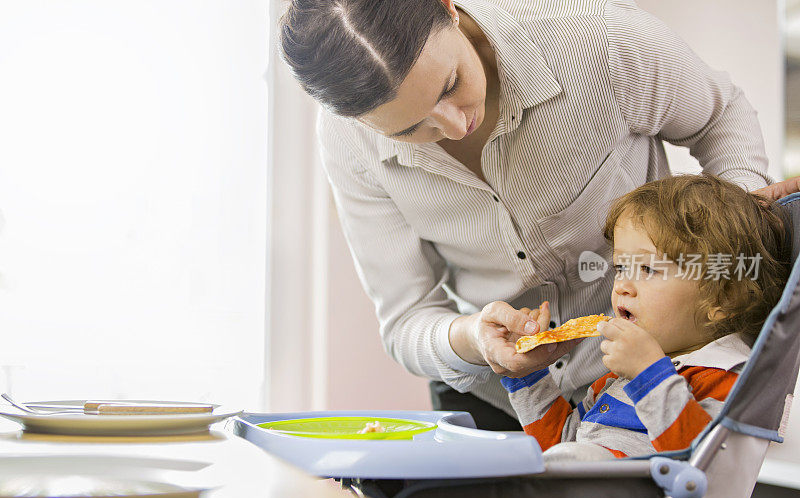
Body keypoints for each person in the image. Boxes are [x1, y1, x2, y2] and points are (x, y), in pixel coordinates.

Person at [279, 0, 798, 429]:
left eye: (450, 84)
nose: (456, 126)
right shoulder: (349, 141)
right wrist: (475, 339)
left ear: (448, 8)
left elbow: (720, 116)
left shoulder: (599, 40)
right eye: (408, 129)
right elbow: (407, 319)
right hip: (503, 400)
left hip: (661, 382)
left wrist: (728, 240)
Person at [502, 174, 793, 459]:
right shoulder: (620, 377)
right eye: (621, 268)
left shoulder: (723, 376)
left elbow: (705, 466)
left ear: (723, 297)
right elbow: (558, 448)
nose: (622, 286)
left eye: (647, 269)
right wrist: (527, 373)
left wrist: (648, 375)